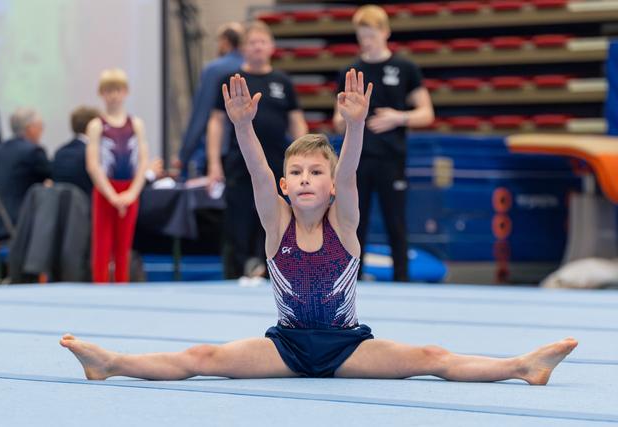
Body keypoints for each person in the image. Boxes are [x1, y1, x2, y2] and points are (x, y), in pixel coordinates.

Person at [60, 71, 577, 385]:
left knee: (432, 358)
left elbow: (350, 171)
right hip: (285, 346)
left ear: (330, 187)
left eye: (315, 173)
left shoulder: (345, 222)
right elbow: (258, 172)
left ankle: (522, 366)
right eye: (297, 174)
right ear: (285, 185)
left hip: (347, 345)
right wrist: (241, 126)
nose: (305, 180)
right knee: (202, 357)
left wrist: (354, 126)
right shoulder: (275, 220)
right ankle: (111, 362)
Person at [333, 5, 434, 282]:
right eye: (361, 35)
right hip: (358, 159)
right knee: (355, 222)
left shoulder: (405, 68)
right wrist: (349, 117)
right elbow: (337, 120)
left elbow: (427, 113)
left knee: (396, 224)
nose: (366, 41)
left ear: (385, 32)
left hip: (391, 158)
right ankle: (351, 281)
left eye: (371, 34)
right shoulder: (350, 70)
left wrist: (398, 117)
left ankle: (402, 281)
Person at [206, 20, 307, 279]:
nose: (258, 47)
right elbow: (216, 122)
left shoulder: (282, 81)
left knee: (274, 218)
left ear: (271, 47)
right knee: (238, 220)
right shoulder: (232, 80)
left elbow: (296, 121)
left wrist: (306, 156)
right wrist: (214, 163)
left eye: (262, 42)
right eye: (252, 43)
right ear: (243, 48)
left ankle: (270, 272)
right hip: (240, 162)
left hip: (276, 162)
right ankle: (234, 272)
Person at [85, 68, 149, 284]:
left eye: (118, 90)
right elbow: (93, 165)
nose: (113, 95)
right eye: (108, 90)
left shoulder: (136, 125)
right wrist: (112, 196)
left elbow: (142, 162)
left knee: (124, 248)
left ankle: (123, 289)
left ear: (126, 92)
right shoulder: (96, 126)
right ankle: (100, 288)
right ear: (101, 93)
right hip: (105, 190)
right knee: (102, 247)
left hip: (129, 190)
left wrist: (132, 193)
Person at [175, 22, 245, 177]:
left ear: (225, 41)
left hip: (221, 148)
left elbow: (200, 114)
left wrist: (184, 154)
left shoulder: (214, 69)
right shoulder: (251, 67)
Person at [0, 107, 51, 224]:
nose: (41, 130)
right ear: (30, 128)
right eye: (40, 126)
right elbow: (53, 175)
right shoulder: (33, 151)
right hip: (21, 217)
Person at [52, 106, 100, 197]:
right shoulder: (93, 154)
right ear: (92, 127)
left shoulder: (60, 152)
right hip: (89, 207)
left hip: (62, 208)